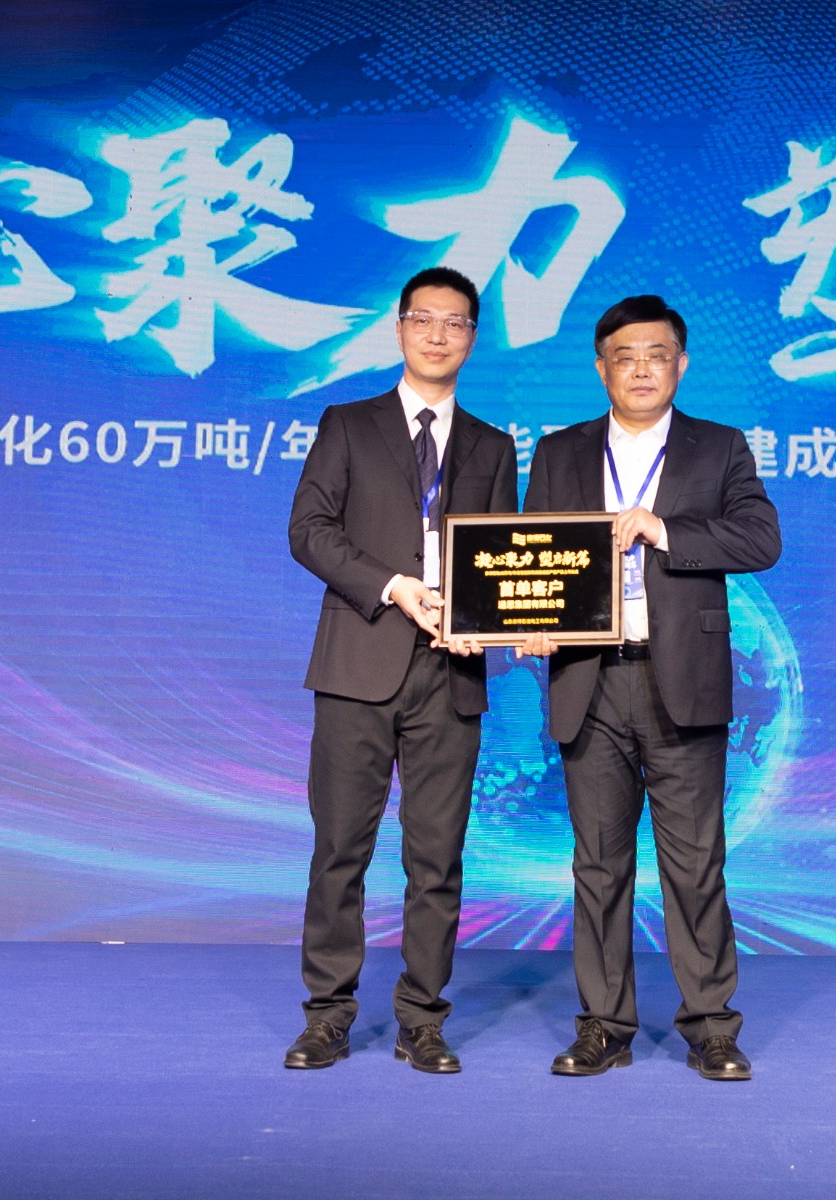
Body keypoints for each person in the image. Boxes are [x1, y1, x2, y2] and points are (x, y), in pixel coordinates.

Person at [520, 294, 781, 1081]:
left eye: (657, 355)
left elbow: (761, 539)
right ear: (601, 368)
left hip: (683, 681)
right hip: (589, 681)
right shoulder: (561, 451)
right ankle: (604, 1025)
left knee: (694, 864)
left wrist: (664, 530)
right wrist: (532, 622)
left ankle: (711, 1026)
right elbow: (534, 553)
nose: (641, 369)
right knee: (598, 866)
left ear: (681, 363)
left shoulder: (719, 447)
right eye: (625, 357)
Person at [284, 267, 516, 1073]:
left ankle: (423, 1018)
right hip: (359, 662)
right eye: (424, 319)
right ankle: (328, 1015)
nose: (438, 335)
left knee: (437, 857)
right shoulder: (348, 424)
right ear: (400, 328)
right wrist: (392, 586)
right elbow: (309, 530)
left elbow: (502, 558)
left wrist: (486, 624)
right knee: (339, 850)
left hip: (450, 673)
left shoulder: (493, 446)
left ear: (472, 339)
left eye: (456, 323)